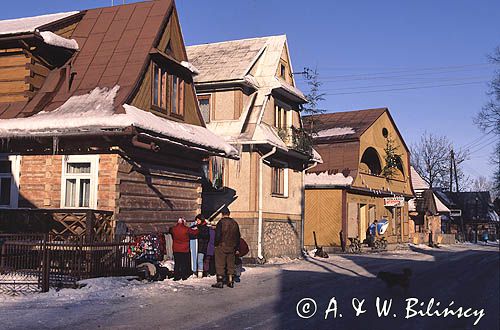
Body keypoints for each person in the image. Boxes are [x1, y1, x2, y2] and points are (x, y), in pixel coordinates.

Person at [212, 208, 240, 288]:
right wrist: (237, 247)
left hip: (221, 246)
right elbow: (238, 236)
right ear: (229, 213)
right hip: (232, 247)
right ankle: (230, 280)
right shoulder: (235, 223)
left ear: (222, 214)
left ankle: (220, 281)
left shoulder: (221, 223)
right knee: (230, 264)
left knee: (220, 263)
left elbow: (218, 235)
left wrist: (216, 244)